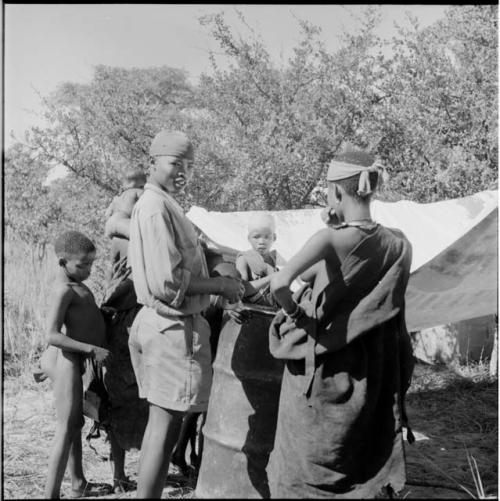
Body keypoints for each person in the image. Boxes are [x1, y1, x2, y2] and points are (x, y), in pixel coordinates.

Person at [267, 143, 415, 498]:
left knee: (305, 465)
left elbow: (279, 283)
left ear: (335, 191)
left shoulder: (329, 240)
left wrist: (293, 312)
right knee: (358, 461)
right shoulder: (400, 244)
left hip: (322, 369)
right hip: (369, 371)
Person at [128, 130, 245, 498]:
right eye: (175, 163)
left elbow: (189, 256)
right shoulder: (155, 207)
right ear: (153, 163)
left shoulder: (163, 204)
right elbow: (168, 281)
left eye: (189, 165)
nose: (183, 171)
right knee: (164, 431)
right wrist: (220, 287)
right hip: (170, 328)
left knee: (159, 428)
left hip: (165, 326)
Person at [37, 231, 112, 499]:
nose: (88, 270)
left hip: (75, 360)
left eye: (91, 264)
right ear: (62, 262)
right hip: (68, 360)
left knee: (75, 423)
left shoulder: (76, 284)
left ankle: (78, 484)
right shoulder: (63, 289)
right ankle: (51, 495)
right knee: (66, 427)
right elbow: (52, 335)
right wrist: (90, 348)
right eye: (82, 265)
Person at [104, 167, 147, 266]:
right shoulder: (138, 192)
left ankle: (114, 266)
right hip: (124, 222)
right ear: (142, 184)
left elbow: (107, 214)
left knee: (116, 257)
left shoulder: (117, 197)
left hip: (111, 225)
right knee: (143, 239)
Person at [235, 214, 279, 308]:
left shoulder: (273, 261)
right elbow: (241, 290)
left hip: (270, 314)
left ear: (274, 237)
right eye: (256, 237)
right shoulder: (244, 258)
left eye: (267, 237)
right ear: (249, 238)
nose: (262, 241)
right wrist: (270, 278)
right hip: (249, 315)